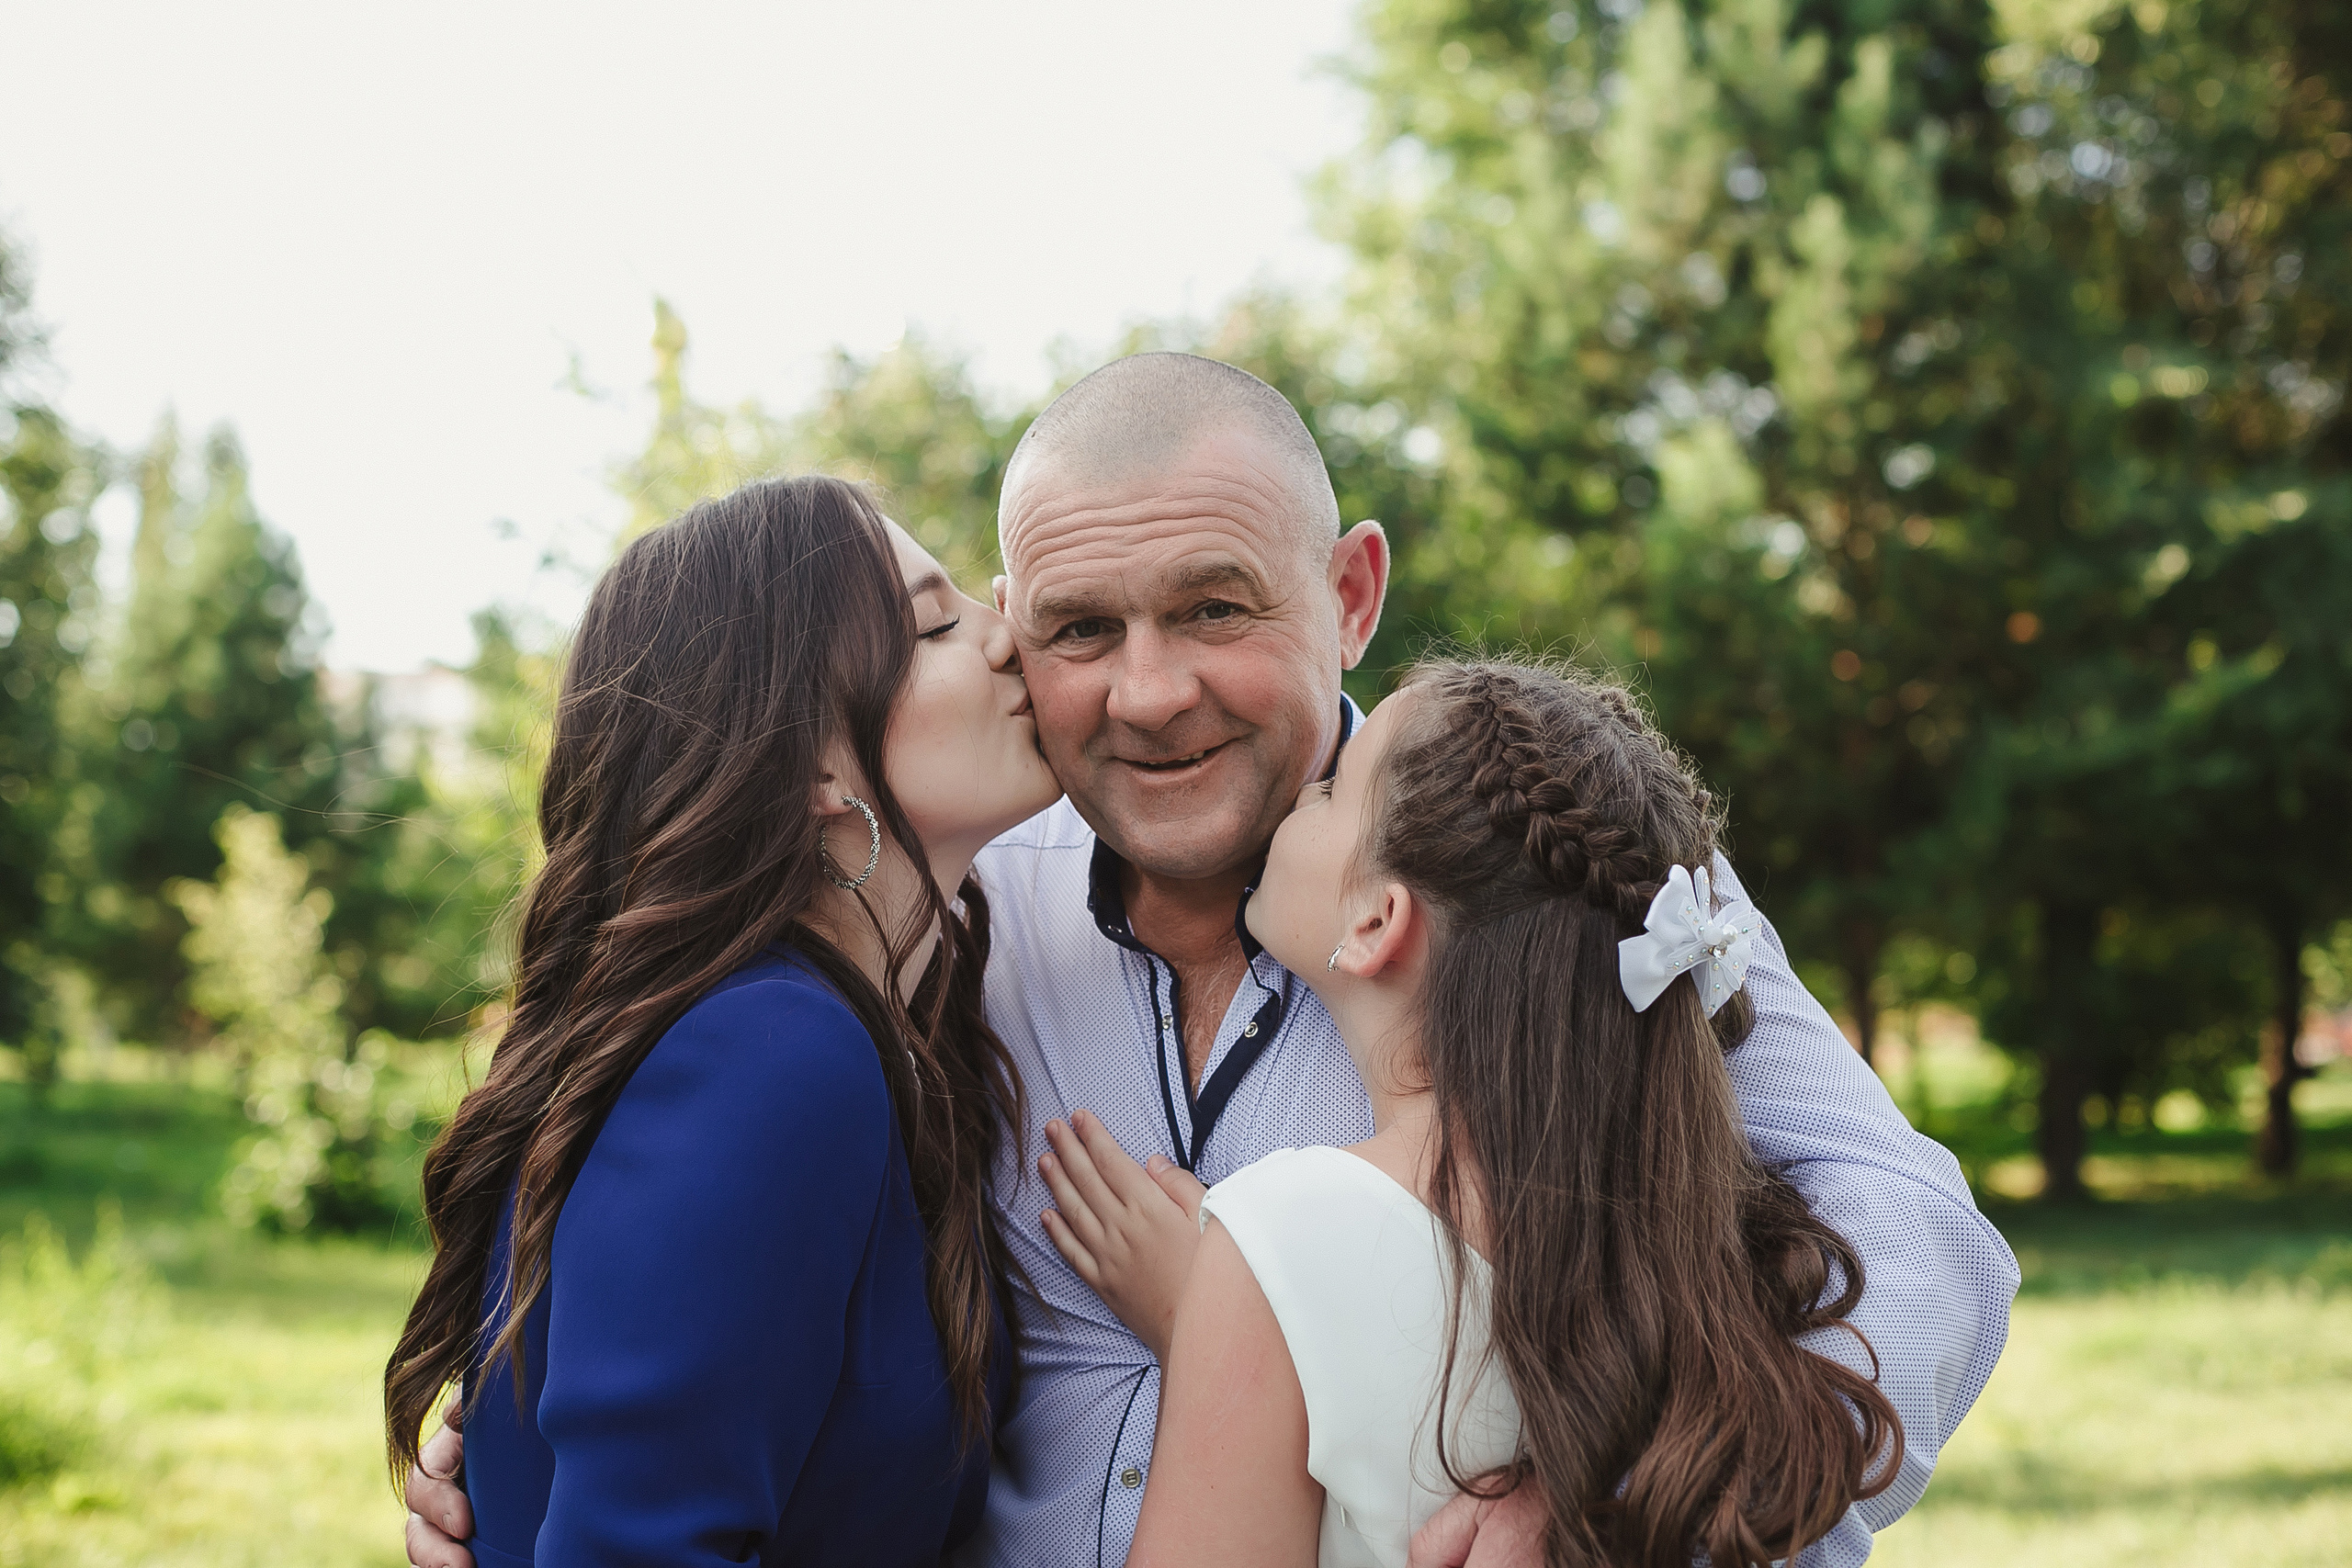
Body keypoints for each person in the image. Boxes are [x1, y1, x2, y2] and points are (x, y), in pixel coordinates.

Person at [404, 354, 2018, 1568]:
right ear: (1015, 625)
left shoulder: (1546, 870)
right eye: (1083, 628)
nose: (1150, 692)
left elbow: (1921, 1239)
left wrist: (1607, 1513)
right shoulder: (956, 913)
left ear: (1351, 592)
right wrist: (559, 1438)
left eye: (1216, 607)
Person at [1043, 659, 1905, 1567]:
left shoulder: (1287, 1239)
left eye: (1333, 789)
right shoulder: (1669, 1258)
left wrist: (1226, 1340)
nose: (1301, 800)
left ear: (1377, 920)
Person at [385, 475, 1060, 1567]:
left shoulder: (870, 1036)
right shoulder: (770, 1053)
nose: (1008, 635)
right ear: (805, 767)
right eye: (937, 624)